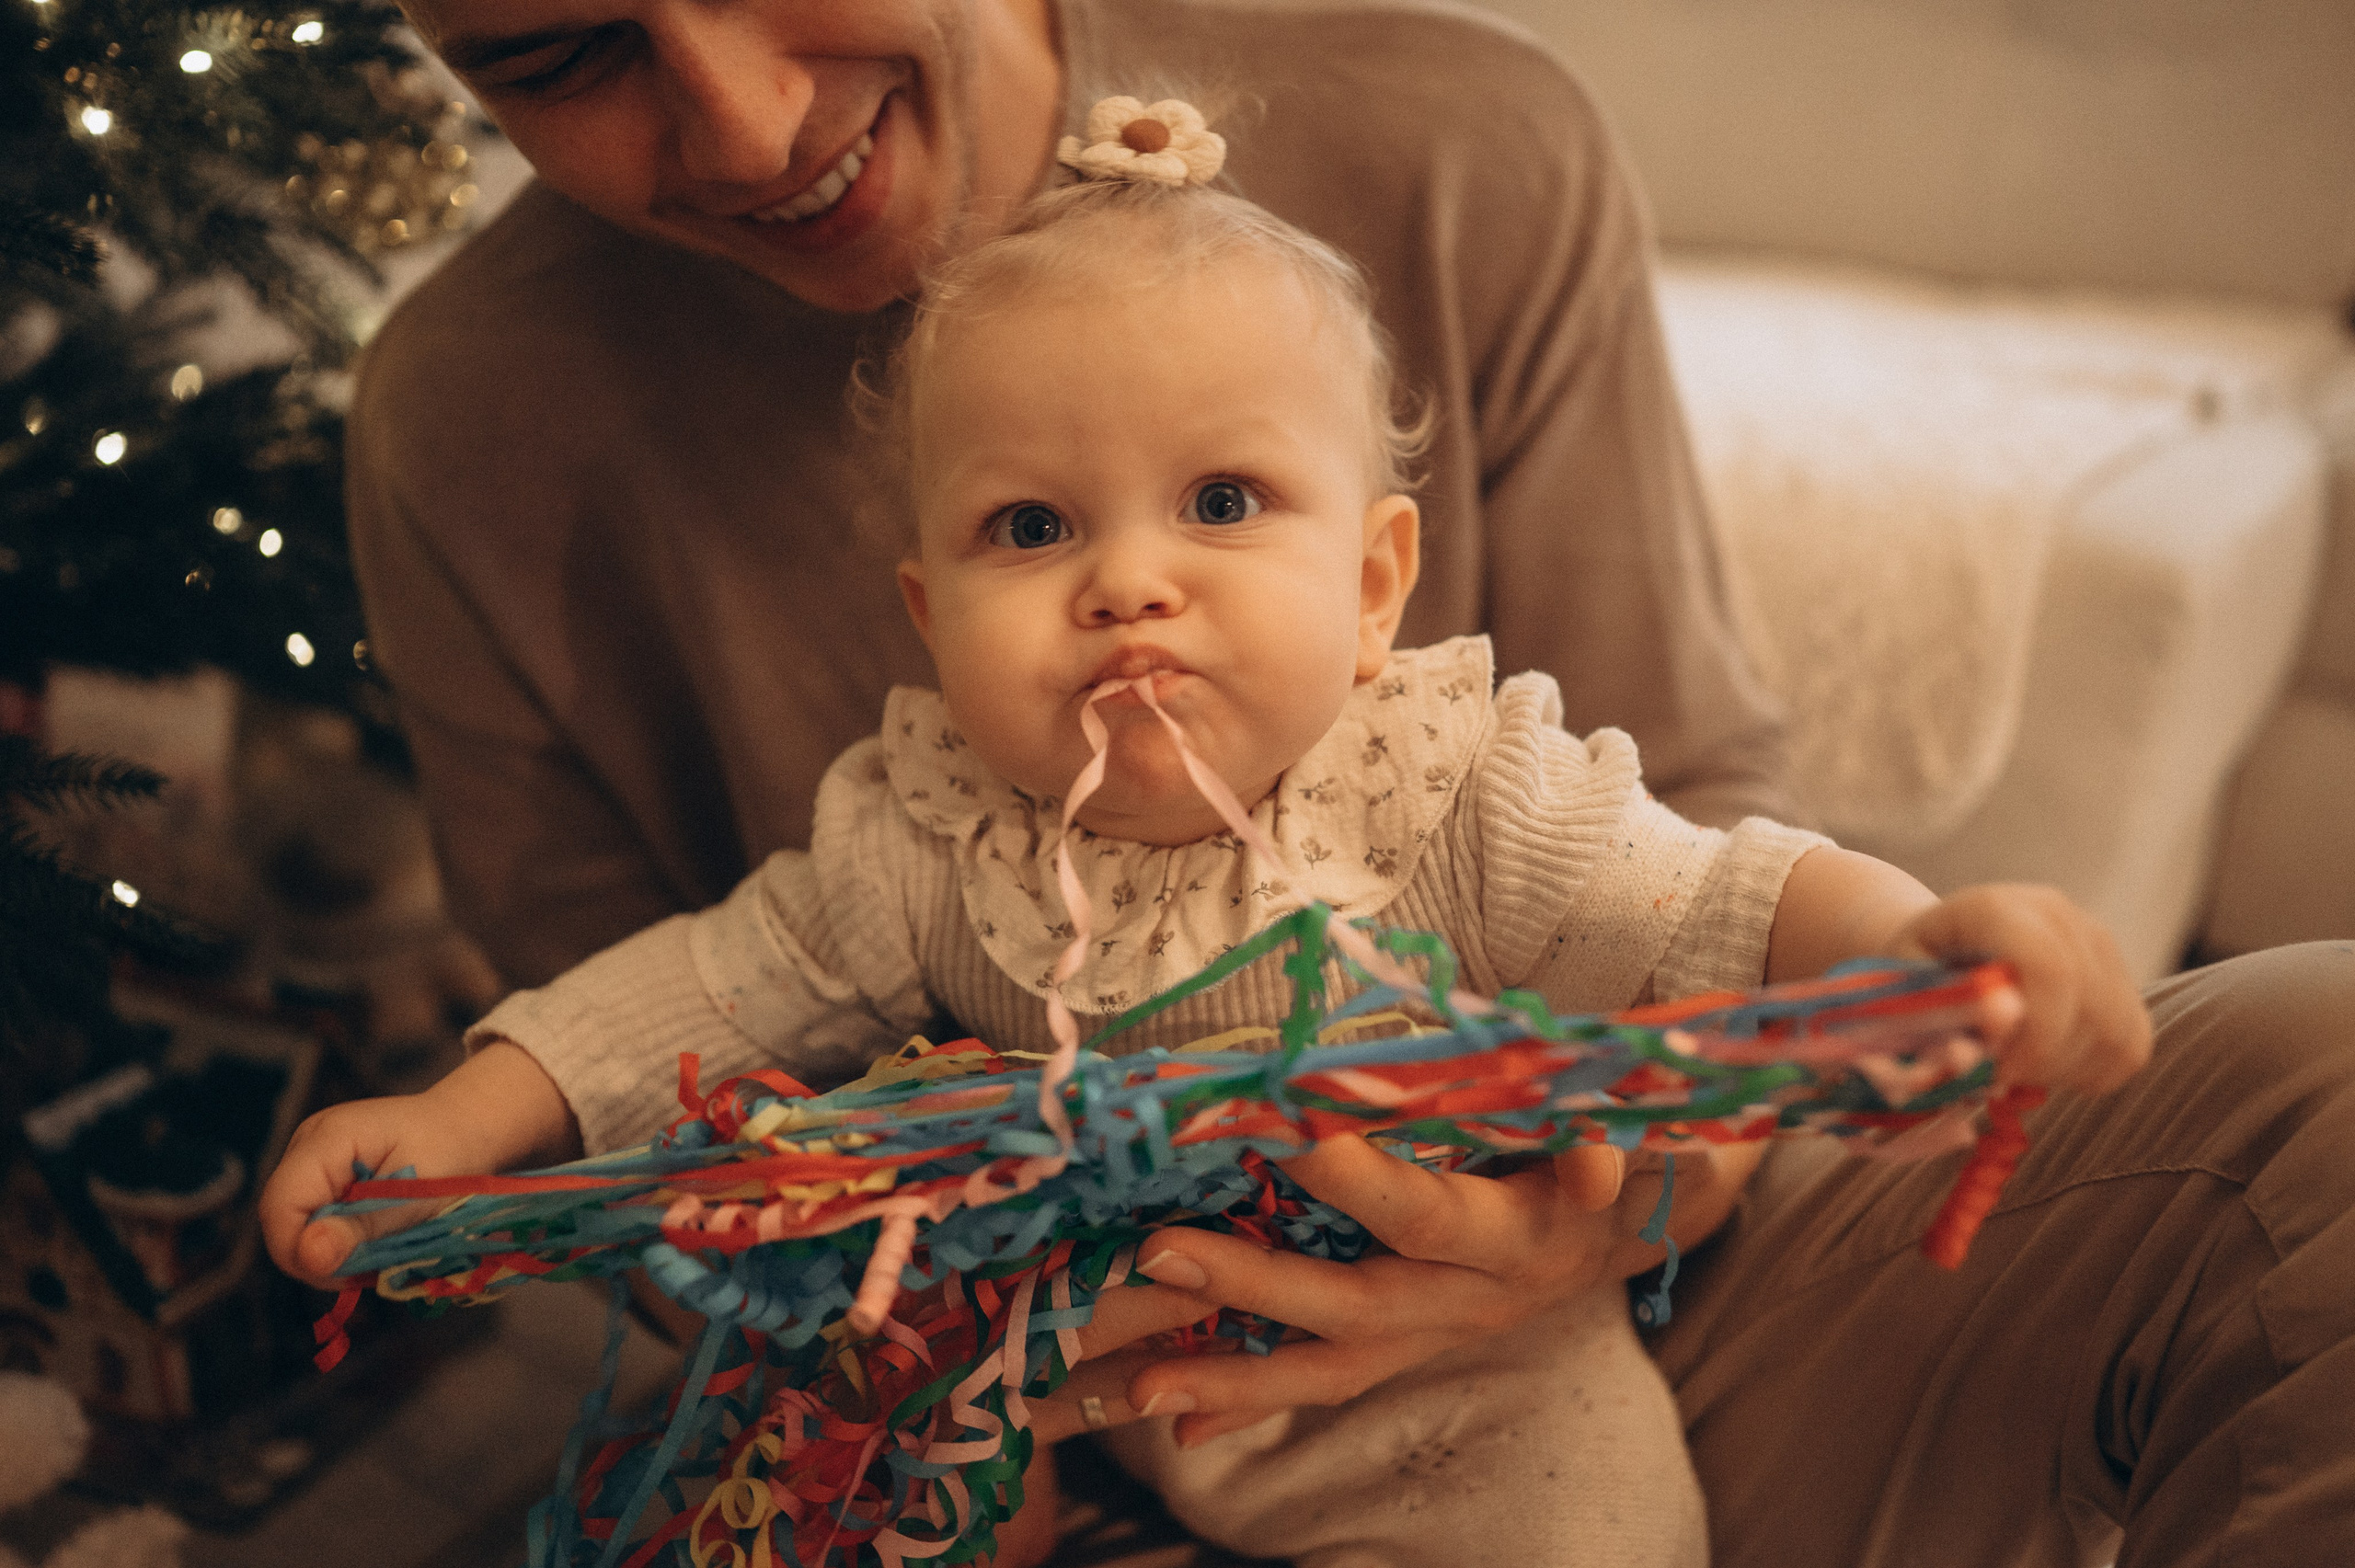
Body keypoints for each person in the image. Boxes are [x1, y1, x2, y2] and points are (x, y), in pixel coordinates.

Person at [327, 0, 2355, 1562]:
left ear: (1375, 582)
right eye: (1029, 533)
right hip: (1068, 1404)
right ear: (924, 611)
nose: (1128, 579)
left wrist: (1929, 950)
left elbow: (1706, 893)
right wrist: (455, 1112)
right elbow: (687, 1003)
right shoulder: (916, 826)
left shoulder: (1432, 770)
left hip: (1518, 1396)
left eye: (1221, 504)